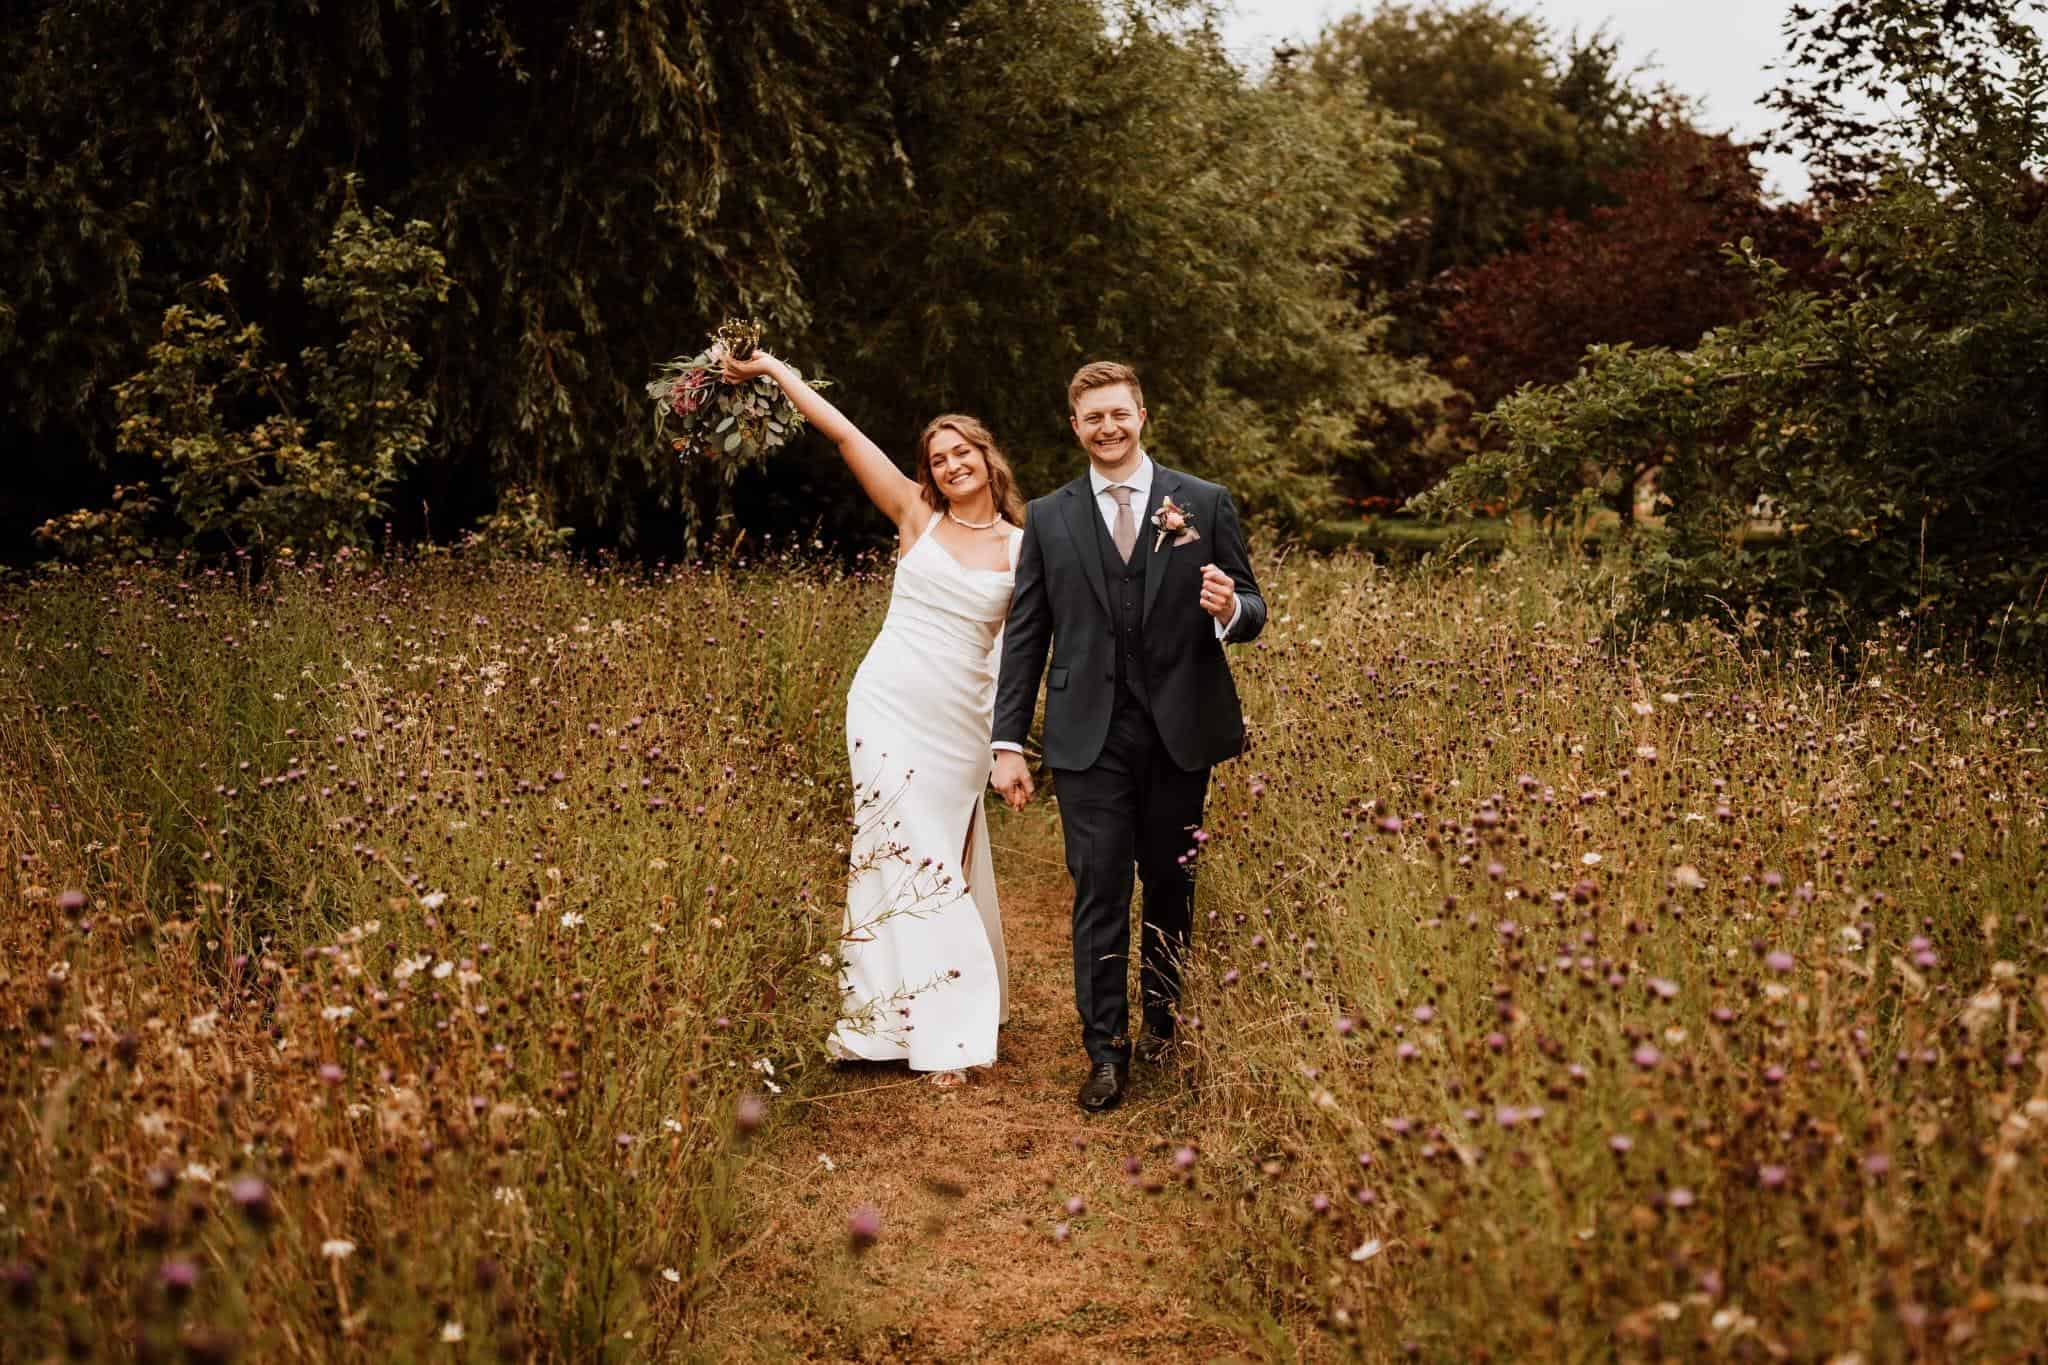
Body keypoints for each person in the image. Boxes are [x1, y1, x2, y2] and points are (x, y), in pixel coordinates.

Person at [722, 349, 1022, 1087]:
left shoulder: (1027, 547)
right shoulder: (915, 515)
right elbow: (845, 434)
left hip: (957, 722)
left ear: (987, 458)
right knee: (890, 851)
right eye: (938, 457)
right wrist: (774, 372)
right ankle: (889, 1022)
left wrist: (1007, 742)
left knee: (935, 861)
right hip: (886, 702)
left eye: (962, 452)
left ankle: (945, 1016)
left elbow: (1029, 648)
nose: (951, 465)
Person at [991, 360, 1265, 1113]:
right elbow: (1028, 635)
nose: (1107, 427)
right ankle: (1105, 1049)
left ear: (1142, 415)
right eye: (1092, 418)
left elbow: (1252, 603)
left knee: (1171, 885)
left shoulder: (1203, 502)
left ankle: (1164, 1028)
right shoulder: (1049, 516)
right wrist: (1007, 739)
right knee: (1100, 889)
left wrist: (1227, 608)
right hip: (1087, 737)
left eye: (1119, 413)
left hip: (1181, 728)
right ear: (1074, 427)